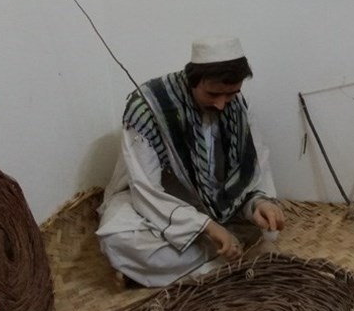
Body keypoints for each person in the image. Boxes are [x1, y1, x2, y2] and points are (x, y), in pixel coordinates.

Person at [96, 36, 284, 287]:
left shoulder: (235, 106)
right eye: (213, 93)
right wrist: (204, 225)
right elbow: (145, 189)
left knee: (260, 225)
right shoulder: (147, 108)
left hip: (218, 201)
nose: (221, 104)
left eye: (231, 94)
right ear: (191, 80)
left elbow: (255, 164)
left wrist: (258, 203)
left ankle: (148, 275)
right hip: (154, 201)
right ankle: (226, 250)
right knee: (117, 236)